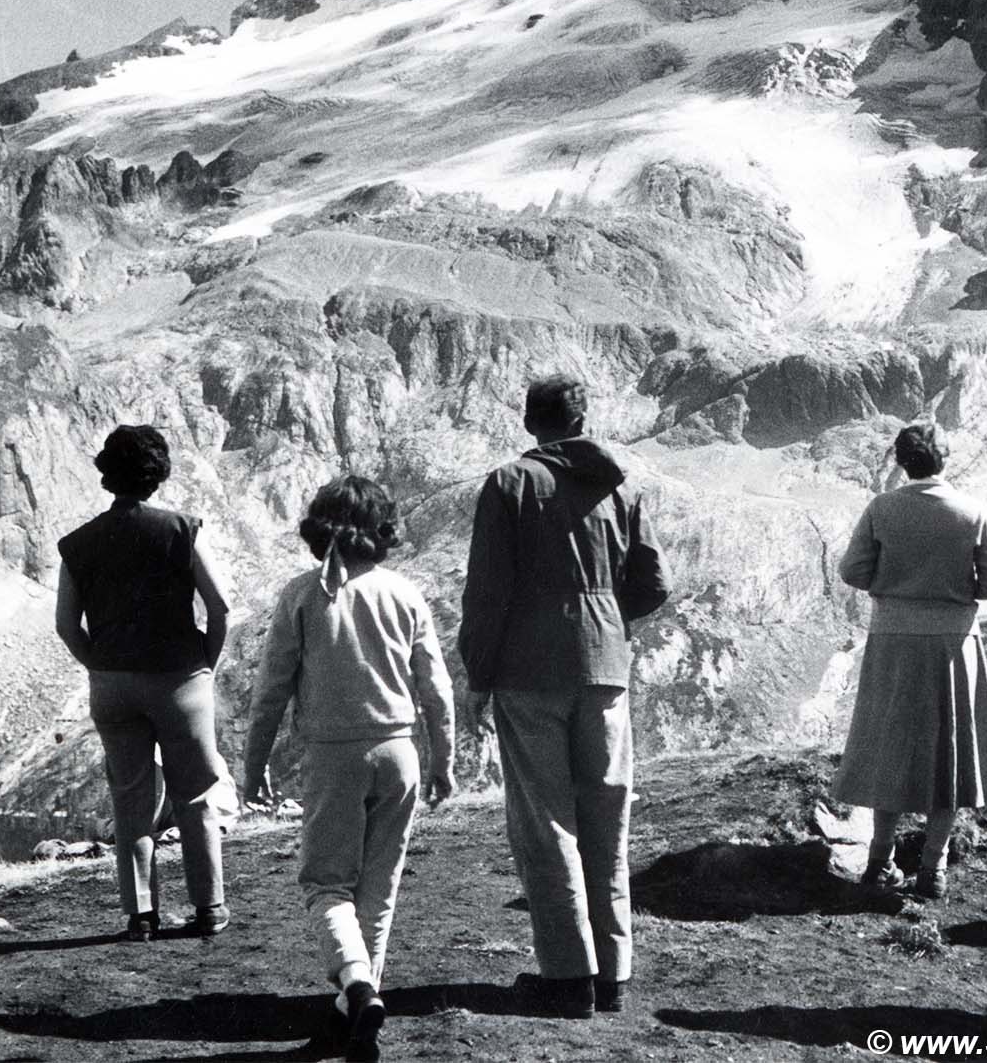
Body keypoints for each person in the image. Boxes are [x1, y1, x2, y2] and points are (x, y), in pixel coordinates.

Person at [458, 375, 670, 1020]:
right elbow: (654, 582)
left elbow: (488, 590)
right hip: (604, 668)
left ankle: (567, 975)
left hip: (528, 667)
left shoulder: (509, 483)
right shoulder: (621, 483)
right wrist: (604, 615)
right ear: (584, 418)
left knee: (546, 823)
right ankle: (614, 973)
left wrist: (478, 674)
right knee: (607, 816)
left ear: (531, 422)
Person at [244, 475, 457, 1063]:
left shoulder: (302, 596)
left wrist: (253, 764)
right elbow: (435, 688)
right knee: (378, 889)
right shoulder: (405, 593)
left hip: (336, 756)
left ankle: (357, 984)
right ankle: (356, 1015)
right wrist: (444, 758)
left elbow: (271, 691)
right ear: (382, 529)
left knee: (324, 883)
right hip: (401, 753)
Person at [57, 423, 233, 940]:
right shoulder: (181, 529)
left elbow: (67, 626)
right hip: (180, 679)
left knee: (130, 798)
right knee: (195, 795)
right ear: (157, 472)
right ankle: (209, 909)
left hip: (112, 684)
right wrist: (206, 662)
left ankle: (141, 915)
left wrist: (99, 665)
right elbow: (219, 607)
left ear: (107, 474)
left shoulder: (79, 544)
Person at [832, 423, 987, 901]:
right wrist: (954, 592)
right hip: (953, 640)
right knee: (950, 755)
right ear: (945, 460)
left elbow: (852, 570)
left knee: (892, 747)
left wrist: (893, 585)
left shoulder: (882, 508)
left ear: (901, 461)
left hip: (892, 637)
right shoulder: (971, 511)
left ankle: (880, 859)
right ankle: (934, 867)